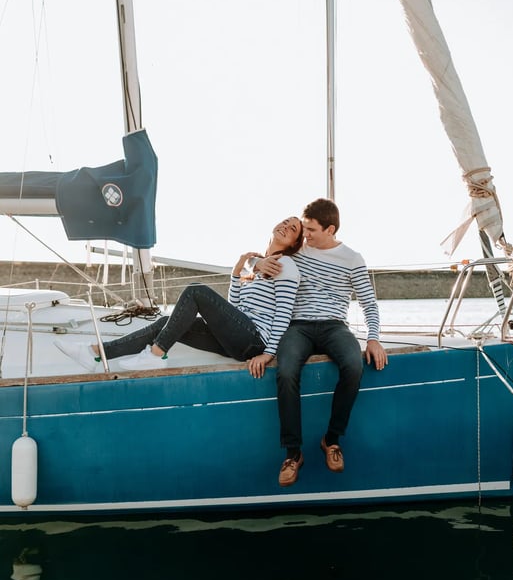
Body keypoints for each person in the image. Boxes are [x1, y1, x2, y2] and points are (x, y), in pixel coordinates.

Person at [55, 217, 303, 376]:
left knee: (196, 291)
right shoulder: (257, 267)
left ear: (293, 243)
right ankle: (96, 352)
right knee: (166, 322)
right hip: (238, 338)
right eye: (285, 221)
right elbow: (235, 307)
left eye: (292, 229)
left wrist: (268, 353)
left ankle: (155, 355)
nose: (285, 226)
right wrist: (237, 273)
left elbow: (284, 313)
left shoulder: (286, 265)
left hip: (255, 341)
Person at [254, 198, 388, 487]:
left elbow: (369, 304)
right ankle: (293, 453)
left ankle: (331, 440)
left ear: (330, 229)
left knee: (353, 365)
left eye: (312, 230)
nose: (306, 234)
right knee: (286, 371)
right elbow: (262, 258)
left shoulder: (352, 258)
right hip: (298, 326)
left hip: (333, 326)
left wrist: (374, 338)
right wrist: (256, 262)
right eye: (304, 228)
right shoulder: (298, 251)